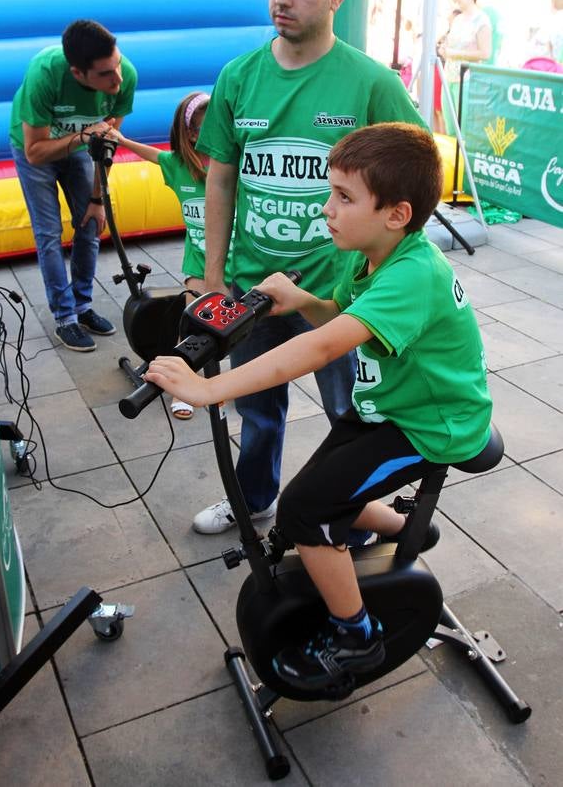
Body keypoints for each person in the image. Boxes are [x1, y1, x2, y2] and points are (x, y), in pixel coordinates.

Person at [143, 122, 492, 691]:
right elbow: (343, 320)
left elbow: (323, 347)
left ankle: (356, 636)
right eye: (330, 192)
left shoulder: (413, 274)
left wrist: (209, 389)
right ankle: (409, 528)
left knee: (304, 510)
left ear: (397, 214)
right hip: (388, 407)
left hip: (433, 426)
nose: (327, 209)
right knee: (313, 497)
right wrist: (302, 300)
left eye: (344, 197)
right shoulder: (370, 255)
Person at [193, 0, 427, 535]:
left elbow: (417, 181)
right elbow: (219, 180)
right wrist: (213, 277)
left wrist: (385, 282)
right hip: (251, 288)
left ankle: (344, 513)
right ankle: (254, 498)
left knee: (350, 417)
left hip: (338, 298)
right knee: (257, 411)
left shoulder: (372, 83)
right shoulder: (239, 77)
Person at [10, 19, 138, 352]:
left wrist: (98, 198)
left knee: (90, 223)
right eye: (106, 74)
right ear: (78, 73)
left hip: (82, 149)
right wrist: (81, 136)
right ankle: (65, 317)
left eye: (118, 65)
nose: (118, 78)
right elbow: (34, 152)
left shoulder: (125, 75)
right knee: (49, 233)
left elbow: (105, 145)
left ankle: (82, 306)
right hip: (36, 150)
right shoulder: (45, 74)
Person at [110, 91, 218, 419]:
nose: (204, 135)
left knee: (234, 326)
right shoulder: (178, 166)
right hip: (199, 259)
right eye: (197, 129)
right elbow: (154, 156)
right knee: (195, 321)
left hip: (236, 262)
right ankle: (184, 387)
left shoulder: (233, 165)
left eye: (211, 126)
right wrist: (122, 140)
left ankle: (227, 385)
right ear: (188, 134)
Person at [438, 0, 492, 137]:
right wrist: (444, 49)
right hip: (448, 78)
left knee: (465, 131)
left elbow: (485, 53)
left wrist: (455, 53)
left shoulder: (482, 20)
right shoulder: (457, 19)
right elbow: (449, 43)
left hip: (467, 80)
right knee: (450, 128)